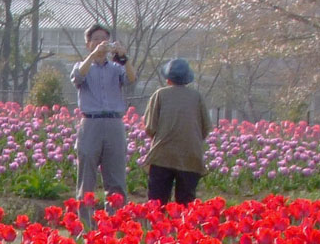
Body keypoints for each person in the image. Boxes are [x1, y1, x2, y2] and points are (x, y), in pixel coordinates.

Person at [69, 25, 130, 221]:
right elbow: (78, 77)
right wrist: (94, 55)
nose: (100, 43)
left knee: (116, 180)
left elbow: (131, 78)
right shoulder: (82, 65)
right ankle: (86, 225)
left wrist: (124, 57)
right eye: (95, 39)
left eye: (104, 39)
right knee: (86, 178)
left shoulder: (116, 68)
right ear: (88, 44)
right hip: (91, 123)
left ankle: (114, 224)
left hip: (114, 123)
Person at [141, 57, 212, 205]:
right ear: (188, 80)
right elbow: (206, 128)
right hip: (190, 156)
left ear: (167, 79)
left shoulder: (160, 95)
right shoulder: (197, 97)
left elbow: (150, 128)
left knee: (157, 203)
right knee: (186, 205)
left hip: (162, 155)